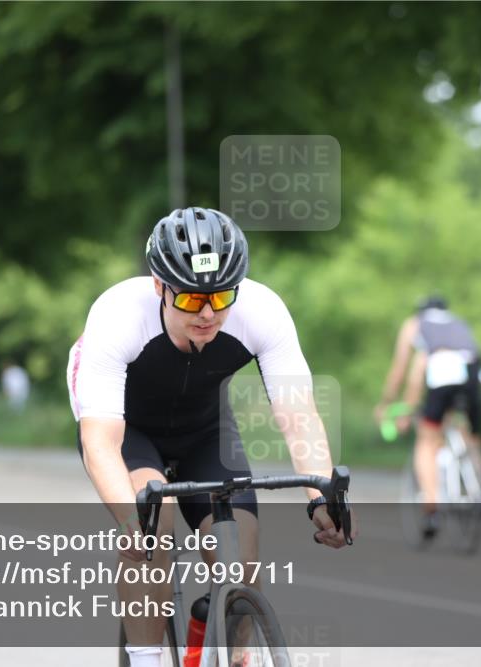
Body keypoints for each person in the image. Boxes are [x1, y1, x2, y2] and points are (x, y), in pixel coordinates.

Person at [66, 207, 355, 667]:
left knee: (240, 554)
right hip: (129, 429)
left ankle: (238, 654)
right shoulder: (118, 315)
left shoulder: (262, 311)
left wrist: (321, 496)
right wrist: (128, 524)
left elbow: (298, 415)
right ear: (160, 286)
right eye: (190, 300)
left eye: (221, 298)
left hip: (205, 427)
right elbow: (101, 443)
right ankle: (145, 659)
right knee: (150, 526)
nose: (206, 313)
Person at [376, 296, 481, 539]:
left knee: (427, 440)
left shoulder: (415, 324)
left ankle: (431, 509)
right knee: (470, 435)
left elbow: (407, 370)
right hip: (474, 374)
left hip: (443, 376)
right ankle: (476, 485)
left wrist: (394, 405)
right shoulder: (458, 323)